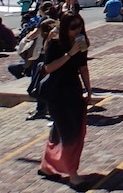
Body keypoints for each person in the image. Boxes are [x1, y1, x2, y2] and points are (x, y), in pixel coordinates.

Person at [38, 12, 92, 189]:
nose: (77, 30)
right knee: (69, 134)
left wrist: (89, 89)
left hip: (73, 91)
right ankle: (72, 173)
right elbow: (48, 68)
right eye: (73, 27)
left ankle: (47, 166)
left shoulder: (81, 43)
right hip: (57, 93)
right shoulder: (55, 44)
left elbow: (83, 67)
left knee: (63, 132)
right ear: (64, 28)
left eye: (80, 26)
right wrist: (69, 54)